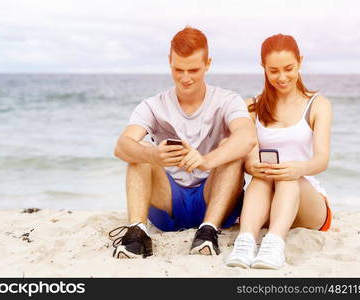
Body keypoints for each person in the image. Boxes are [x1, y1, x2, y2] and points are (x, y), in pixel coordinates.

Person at [110, 26, 256, 259]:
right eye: (178, 69)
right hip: (168, 205)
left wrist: (206, 161)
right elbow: (121, 146)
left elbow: (247, 137)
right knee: (140, 151)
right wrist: (153, 156)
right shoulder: (153, 105)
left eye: (193, 70)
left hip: (214, 198)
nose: (185, 78)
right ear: (169, 62)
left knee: (231, 149)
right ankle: (137, 233)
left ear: (208, 64)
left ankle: (208, 231)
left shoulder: (227, 100)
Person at [226, 33, 333, 269]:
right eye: (273, 70)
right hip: (266, 198)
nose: (282, 77)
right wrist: (251, 163)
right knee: (262, 176)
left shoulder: (317, 105)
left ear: (300, 62)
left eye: (288, 68)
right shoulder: (251, 106)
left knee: (287, 176)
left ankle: (274, 245)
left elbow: (322, 159)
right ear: (263, 67)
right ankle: (245, 242)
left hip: (308, 204)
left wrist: (299, 168)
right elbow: (247, 154)